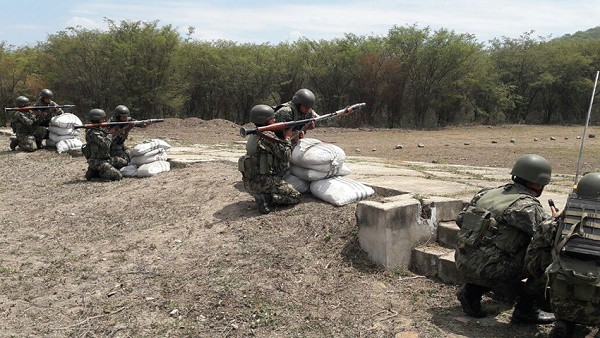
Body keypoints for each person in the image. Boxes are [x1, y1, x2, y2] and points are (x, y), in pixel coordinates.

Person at [454, 153, 556, 324]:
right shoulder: (527, 206)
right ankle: (525, 310)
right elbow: (546, 238)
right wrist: (555, 220)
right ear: (537, 183)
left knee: (491, 251)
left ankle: (471, 292)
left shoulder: (486, 193)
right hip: (491, 270)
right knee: (544, 260)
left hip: (463, 259)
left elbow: (460, 220)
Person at [238, 104, 301, 214]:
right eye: (272, 118)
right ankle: (267, 198)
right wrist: (287, 137)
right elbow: (286, 156)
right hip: (264, 181)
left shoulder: (255, 134)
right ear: (267, 120)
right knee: (295, 196)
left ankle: (264, 194)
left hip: (250, 181)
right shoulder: (267, 136)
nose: (275, 119)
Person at [81, 109, 124, 181]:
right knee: (118, 176)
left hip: (106, 159)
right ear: (97, 119)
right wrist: (111, 133)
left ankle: (95, 172)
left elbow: (112, 142)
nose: (104, 120)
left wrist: (118, 132)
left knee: (124, 162)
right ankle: (96, 176)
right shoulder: (93, 133)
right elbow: (106, 144)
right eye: (102, 119)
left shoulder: (100, 129)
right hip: (97, 161)